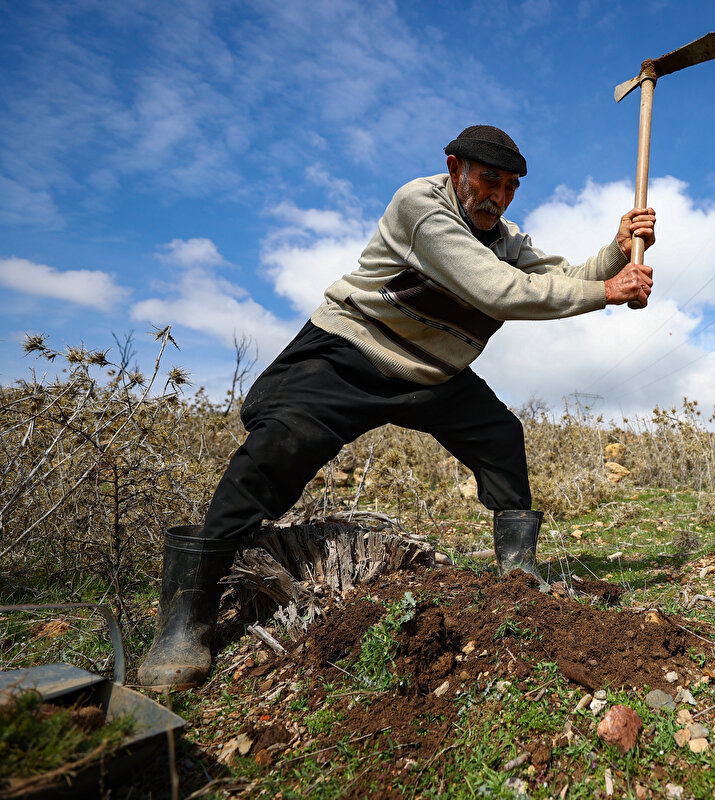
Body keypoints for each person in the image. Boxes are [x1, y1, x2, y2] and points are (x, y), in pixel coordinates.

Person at [138, 125, 656, 689]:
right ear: (455, 167)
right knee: (271, 454)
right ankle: (186, 621)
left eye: (510, 187)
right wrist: (608, 292)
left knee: (500, 437)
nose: (499, 197)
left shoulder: (505, 238)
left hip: (431, 372)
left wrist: (615, 249)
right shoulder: (422, 207)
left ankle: (518, 574)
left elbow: (560, 277)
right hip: (349, 353)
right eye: (489, 180)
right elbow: (497, 291)